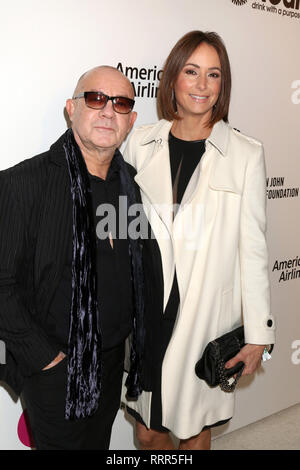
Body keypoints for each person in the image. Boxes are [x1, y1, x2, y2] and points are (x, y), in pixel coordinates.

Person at [121, 31, 276, 450]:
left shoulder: (245, 153)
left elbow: (254, 248)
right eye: (192, 72)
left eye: (214, 75)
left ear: (223, 85)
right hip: (149, 312)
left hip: (204, 314)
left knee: (192, 427)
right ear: (173, 78)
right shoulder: (139, 143)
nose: (202, 85)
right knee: (148, 429)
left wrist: (259, 332)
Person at [0, 66, 146, 450]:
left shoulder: (129, 185)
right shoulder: (24, 183)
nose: (108, 111)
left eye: (121, 104)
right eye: (96, 99)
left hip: (113, 363)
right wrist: (46, 359)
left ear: (131, 121)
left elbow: (129, 273)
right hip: (56, 371)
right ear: (71, 108)